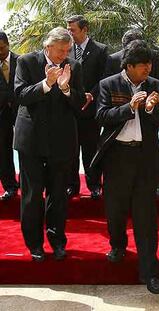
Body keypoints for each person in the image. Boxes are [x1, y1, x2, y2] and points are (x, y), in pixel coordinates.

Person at [92, 40, 159, 294]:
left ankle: (150, 273)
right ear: (129, 66)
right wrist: (130, 107)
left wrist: (150, 109)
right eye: (143, 65)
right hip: (117, 157)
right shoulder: (109, 84)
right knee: (115, 208)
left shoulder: (156, 86)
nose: (148, 68)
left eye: (149, 64)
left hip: (145, 158)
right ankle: (118, 244)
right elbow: (102, 116)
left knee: (146, 217)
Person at [14, 27, 85, 261]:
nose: (64, 55)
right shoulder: (26, 62)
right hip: (32, 141)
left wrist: (65, 88)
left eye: (67, 50)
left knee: (58, 195)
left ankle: (57, 241)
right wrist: (46, 83)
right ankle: (34, 244)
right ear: (47, 47)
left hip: (62, 142)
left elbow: (80, 103)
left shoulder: (74, 66)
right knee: (32, 195)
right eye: (60, 51)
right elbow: (21, 95)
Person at [105, 28, 159, 198]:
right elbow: (104, 111)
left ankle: (156, 184)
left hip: (147, 136)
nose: (147, 67)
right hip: (119, 146)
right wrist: (129, 106)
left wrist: (152, 106)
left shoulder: (154, 64)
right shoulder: (112, 65)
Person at [66, 15, 108, 199]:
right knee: (70, 151)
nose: (69, 33)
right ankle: (72, 185)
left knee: (91, 149)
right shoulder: (65, 51)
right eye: (68, 29)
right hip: (70, 109)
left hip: (91, 111)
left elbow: (105, 78)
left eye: (72, 30)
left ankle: (94, 185)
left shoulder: (100, 50)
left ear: (84, 30)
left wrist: (91, 94)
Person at [0, 31, 19, 200]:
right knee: (3, 151)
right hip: (1, 115)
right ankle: (10, 186)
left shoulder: (22, 61)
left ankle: (30, 183)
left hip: (22, 112)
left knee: (27, 149)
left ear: (8, 44)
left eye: (1, 48)